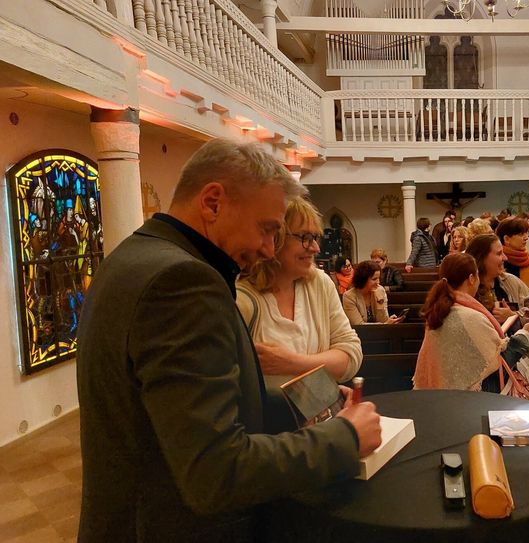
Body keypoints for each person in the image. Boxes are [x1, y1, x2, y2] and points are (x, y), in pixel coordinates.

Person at [75, 138, 381, 542]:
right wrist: (343, 438)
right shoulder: (183, 282)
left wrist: (313, 398)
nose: (269, 248)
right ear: (213, 202)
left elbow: (188, 408)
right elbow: (214, 470)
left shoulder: (132, 256)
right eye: (268, 229)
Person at [236, 197, 361, 384]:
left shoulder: (319, 283)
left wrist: (292, 363)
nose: (315, 248)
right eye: (305, 238)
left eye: (315, 238)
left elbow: (351, 356)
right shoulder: (241, 299)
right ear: (274, 238)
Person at [414, 253, 529, 392]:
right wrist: (524, 335)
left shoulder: (439, 311)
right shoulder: (471, 317)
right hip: (468, 401)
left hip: (439, 397)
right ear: (471, 279)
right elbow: (498, 366)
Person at [343, 260, 405, 325]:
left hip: (380, 333)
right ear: (363, 279)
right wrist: (385, 324)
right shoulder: (349, 296)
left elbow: (383, 320)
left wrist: (380, 303)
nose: (378, 282)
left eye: (379, 278)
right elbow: (358, 325)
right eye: (374, 279)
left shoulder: (380, 290)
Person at [496, 217, 529, 298]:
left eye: (526, 233)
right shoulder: (498, 265)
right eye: (521, 234)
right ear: (506, 239)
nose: (526, 237)